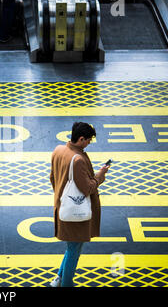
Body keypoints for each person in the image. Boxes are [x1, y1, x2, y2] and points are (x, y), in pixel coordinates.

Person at [49, 122, 110, 287]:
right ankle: (66, 283)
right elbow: (87, 189)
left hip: (62, 205)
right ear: (81, 139)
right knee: (74, 250)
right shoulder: (78, 160)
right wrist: (100, 176)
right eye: (88, 140)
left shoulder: (58, 150)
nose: (89, 143)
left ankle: (58, 280)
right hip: (75, 213)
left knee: (71, 247)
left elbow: (53, 178)